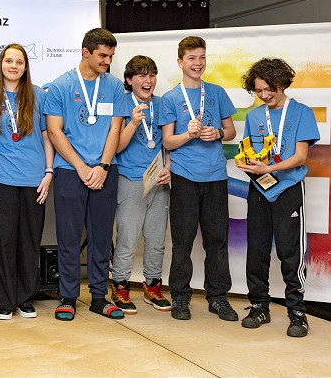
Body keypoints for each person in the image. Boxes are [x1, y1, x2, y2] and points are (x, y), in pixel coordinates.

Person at [43, 28, 126, 321]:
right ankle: (67, 297)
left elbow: (115, 128)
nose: (107, 61)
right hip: (70, 171)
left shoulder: (114, 86)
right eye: (102, 55)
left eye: (111, 56)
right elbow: (54, 131)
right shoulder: (60, 86)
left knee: (101, 237)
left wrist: (103, 166)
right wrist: (81, 167)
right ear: (85, 52)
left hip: (105, 171)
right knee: (68, 237)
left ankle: (99, 297)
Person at [237, 58, 319, 337]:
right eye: (258, 90)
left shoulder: (302, 112)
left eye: (268, 89)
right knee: (257, 251)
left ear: (281, 83)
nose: (263, 95)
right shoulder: (254, 117)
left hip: (288, 190)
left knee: (289, 252)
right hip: (259, 190)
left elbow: (301, 156)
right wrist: (245, 162)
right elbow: (249, 151)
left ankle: (297, 312)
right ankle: (259, 306)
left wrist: (269, 169)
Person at [159, 35, 238, 322]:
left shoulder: (216, 92)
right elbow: (167, 142)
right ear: (180, 62)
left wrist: (217, 133)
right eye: (192, 58)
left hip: (215, 176)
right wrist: (187, 135)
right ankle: (180, 296)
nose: (198, 63)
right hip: (184, 176)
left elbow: (231, 131)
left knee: (217, 240)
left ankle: (218, 298)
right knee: (182, 241)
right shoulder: (170, 98)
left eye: (202, 57)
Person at [0, 44, 54, 320]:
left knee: (29, 241)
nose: (14, 66)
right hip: (1, 179)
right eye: (9, 61)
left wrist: (49, 172)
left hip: (34, 179)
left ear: (25, 66)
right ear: (1, 64)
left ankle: (25, 298)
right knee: (5, 242)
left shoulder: (38, 96)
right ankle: (4, 300)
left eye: (19, 62)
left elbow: (47, 136)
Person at [111, 55, 172, 314]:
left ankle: (153, 285)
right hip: (130, 178)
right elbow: (116, 146)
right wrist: (134, 122)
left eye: (152, 75)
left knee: (157, 238)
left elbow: (167, 142)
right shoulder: (122, 103)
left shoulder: (163, 103)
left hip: (158, 180)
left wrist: (169, 167)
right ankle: (120, 285)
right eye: (142, 75)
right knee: (128, 237)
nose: (148, 81)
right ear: (129, 80)